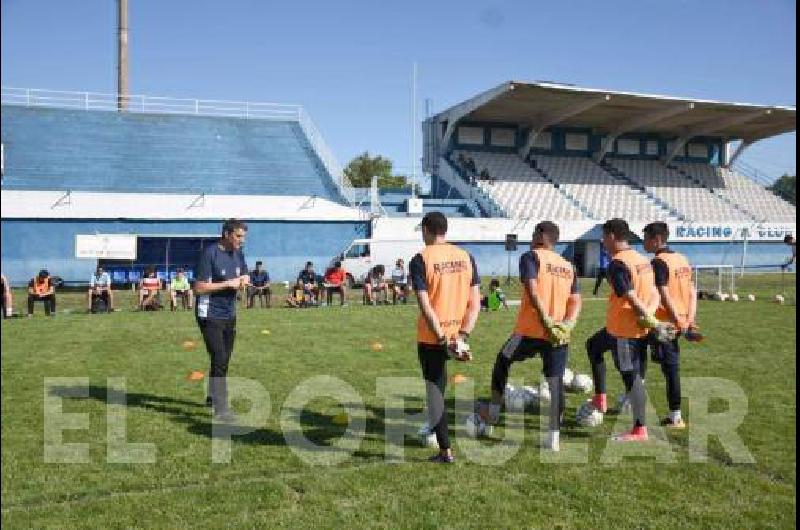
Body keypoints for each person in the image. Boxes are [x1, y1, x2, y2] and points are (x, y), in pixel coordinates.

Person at [480, 222, 582, 452]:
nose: (531, 235)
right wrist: (567, 325)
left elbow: (533, 290)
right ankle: (553, 438)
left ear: (543, 236)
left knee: (502, 360)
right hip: (558, 336)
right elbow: (576, 301)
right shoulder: (568, 266)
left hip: (529, 331)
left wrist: (545, 320)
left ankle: (494, 412)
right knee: (555, 383)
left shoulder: (531, 257)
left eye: (535, 232)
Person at [409, 212, 481, 463]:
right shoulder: (466, 257)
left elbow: (425, 305)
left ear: (427, 230)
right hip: (456, 335)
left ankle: (445, 451)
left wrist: (442, 339)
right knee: (439, 390)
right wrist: (461, 337)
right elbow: (475, 304)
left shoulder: (421, 258)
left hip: (433, 338)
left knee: (435, 392)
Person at [601, 218, 662, 442]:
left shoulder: (618, 263)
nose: (602, 241)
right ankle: (602, 399)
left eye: (604, 236)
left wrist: (646, 316)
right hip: (640, 330)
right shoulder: (642, 259)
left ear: (612, 236)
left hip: (625, 331)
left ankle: (639, 429)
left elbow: (629, 295)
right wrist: (650, 316)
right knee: (595, 347)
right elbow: (655, 293)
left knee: (631, 379)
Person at [643, 222, 698, 429]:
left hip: (664, 324)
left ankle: (675, 416)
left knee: (666, 367)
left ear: (657, 239)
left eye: (646, 238)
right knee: (667, 366)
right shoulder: (681, 259)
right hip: (679, 320)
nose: (644, 243)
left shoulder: (659, 262)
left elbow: (664, 295)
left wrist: (677, 321)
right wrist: (688, 319)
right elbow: (692, 291)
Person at [194, 219, 249, 422]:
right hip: (209, 313)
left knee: (223, 359)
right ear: (226, 234)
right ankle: (221, 407)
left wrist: (244, 280)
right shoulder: (210, 254)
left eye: (243, 237)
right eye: (238, 236)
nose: (242, 241)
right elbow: (199, 288)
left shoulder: (238, 253)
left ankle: (211, 395)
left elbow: (244, 274)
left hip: (229, 313)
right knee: (219, 358)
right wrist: (228, 284)